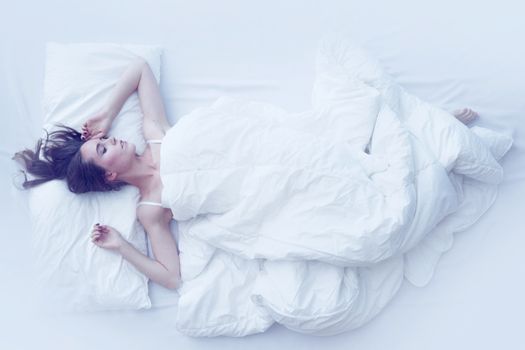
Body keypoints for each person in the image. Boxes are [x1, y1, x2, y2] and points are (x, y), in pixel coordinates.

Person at [13, 59, 480, 292]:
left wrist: (108, 109)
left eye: (105, 138)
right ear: (111, 178)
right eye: (103, 148)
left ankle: (431, 136)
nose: (112, 139)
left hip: (272, 146)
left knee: (349, 128)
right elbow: (173, 277)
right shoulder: (151, 208)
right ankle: (433, 145)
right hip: (266, 193)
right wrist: (122, 247)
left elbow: (139, 68)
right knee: (369, 229)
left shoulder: (154, 132)